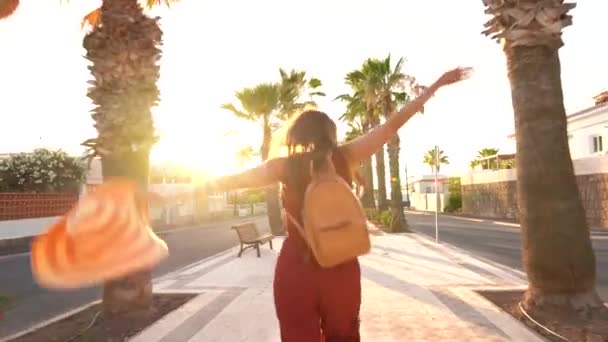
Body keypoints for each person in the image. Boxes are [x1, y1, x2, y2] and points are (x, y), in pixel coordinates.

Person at [203, 67, 471, 341]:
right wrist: (433, 87)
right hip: (341, 265)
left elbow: (234, 180)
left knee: (297, 335)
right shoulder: (346, 156)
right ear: (329, 134)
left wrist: (198, 185)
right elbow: (390, 126)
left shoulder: (283, 167)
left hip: (296, 266)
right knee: (343, 334)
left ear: (296, 135)